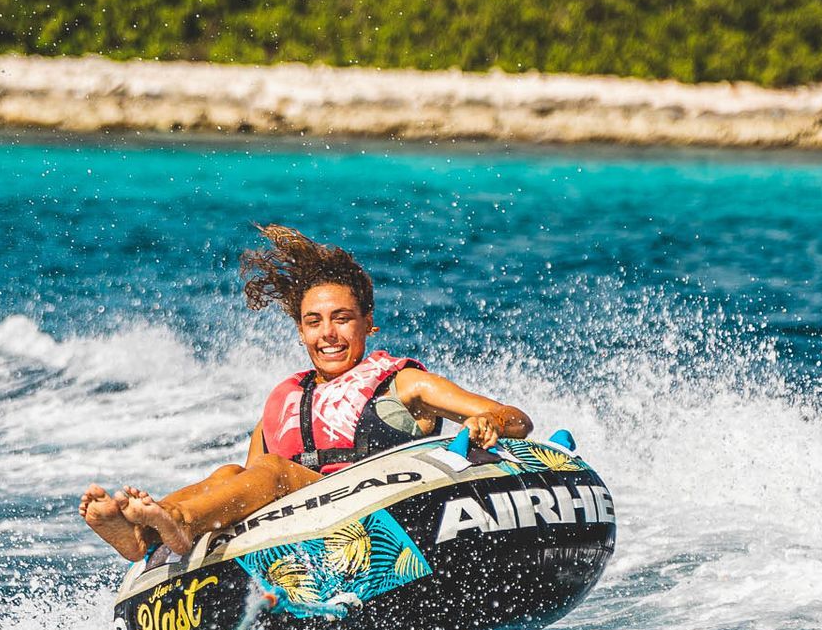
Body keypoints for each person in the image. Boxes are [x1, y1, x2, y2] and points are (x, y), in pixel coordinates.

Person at [81, 225, 532, 561]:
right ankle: (147, 534)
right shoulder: (286, 399)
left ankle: (178, 523)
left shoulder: (404, 382)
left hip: (379, 518)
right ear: (300, 331)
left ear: (368, 322)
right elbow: (245, 485)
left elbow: (515, 418)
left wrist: (488, 422)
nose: (328, 334)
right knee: (227, 473)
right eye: (314, 322)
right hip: (300, 536)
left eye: (342, 318)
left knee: (275, 471)